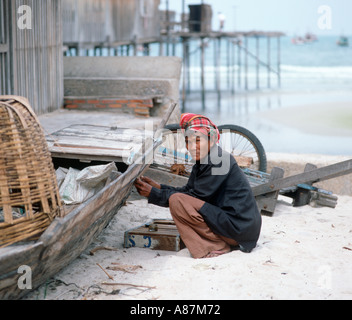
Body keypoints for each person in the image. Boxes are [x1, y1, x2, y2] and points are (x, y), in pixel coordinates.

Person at [134, 113, 261, 259]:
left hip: (240, 230)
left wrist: (153, 194)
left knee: (177, 201)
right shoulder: (204, 160)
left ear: (211, 140)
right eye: (188, 142)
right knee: (178, 199)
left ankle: (217, 245)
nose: (192, 147)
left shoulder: (218, 160)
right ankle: (217, 242)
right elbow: (189, 192)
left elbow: (193, 197)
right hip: (237, 226)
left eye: (198, 140)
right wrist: (159, 187)